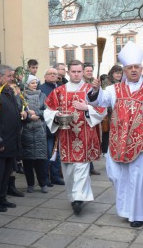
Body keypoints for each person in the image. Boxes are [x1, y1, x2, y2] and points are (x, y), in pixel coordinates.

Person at [88, 41, 143, 228]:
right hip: (118, 138)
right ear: (125, 70)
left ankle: (141, 214)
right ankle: (126, 210)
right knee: (119, 176)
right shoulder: (114, 89)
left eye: (137, 67)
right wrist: (95, 89)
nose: (134, 70)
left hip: (142, 137)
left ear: (141, 68)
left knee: (140, 176)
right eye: (130, 67)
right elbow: (98, 102)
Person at [44, 60, 106, 215]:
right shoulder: (59, 91)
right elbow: (48, 110)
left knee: (82, 167)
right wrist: (56, 115)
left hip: (85, 135)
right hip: (66, 135)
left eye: (79, 71)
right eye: (74, 72)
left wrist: (87, 107)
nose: (77, 74)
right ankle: (73, 196)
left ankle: (78, 199)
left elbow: (102, 108)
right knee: (69, 169)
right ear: (68, 72)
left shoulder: (90, 90)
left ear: (83, 72)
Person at [0, 65, 25, 213]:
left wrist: (22, 114)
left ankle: (1, 196)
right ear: (0, 77)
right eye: (9, 76)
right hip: (3, 139)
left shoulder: (7, 90)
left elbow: (13, 110)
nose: (11, 79)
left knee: (7, 171)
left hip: (12, 139)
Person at [21, 75, 48, 193]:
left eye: (36, 82)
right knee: (28, 160)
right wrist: (28, 117)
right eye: (32, 83)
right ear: (27, 84)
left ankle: (43, 183)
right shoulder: (22, 96)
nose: (35, 84)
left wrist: (38, 114)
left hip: (39, 131)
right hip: (26, 130)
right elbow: (20, 110)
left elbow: (47, 110)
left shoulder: (42, 95)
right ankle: (30, 184)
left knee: (41, 160)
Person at [39, 68, 65, 186]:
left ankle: (56, 176)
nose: (54, 76)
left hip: (60, 124)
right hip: (47, 126)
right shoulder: (42, 89)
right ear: (45, 76)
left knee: (57, 153)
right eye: (51, 74)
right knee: (48, 153)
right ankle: (46, 178)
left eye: (55, 74)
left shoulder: (60, 88)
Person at [100, 65, 123, 155]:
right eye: (117, 73)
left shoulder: (121, 82)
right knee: (107, 131)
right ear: (112, 73)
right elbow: (105, 98)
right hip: (108, 112)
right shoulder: (107, 82)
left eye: (120, 73)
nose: (118, 75)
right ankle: (105, 151)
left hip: (119, 110)